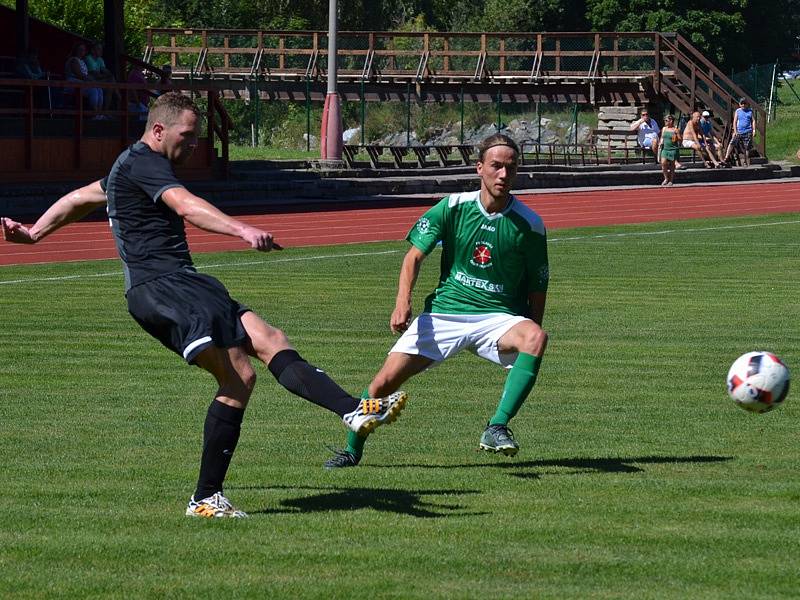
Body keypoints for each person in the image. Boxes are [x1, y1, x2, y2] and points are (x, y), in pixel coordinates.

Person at [0, 92, 407, 517]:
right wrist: (241, 229)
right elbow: (187, 206)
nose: (193, 144)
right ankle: (205, 498)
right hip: (163, 287)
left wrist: (34, 233)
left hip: (187, 283)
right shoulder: (145, 162)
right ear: (158, 131)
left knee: (269, 338)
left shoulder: (128, 167)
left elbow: (80, 198)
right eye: (188, 135)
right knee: (238, 379)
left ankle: (353, 411)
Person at [325, 133, 549, 469]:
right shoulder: (454, 207)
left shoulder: (530, 225)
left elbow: (538, 287)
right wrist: (403, 302)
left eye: (511, 168)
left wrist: (530, 327)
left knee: (536, 337)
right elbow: (414, 257)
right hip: (446, 314)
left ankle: (497, 426)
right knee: (382, 384)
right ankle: (351, 450)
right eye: (496, 166)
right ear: (480, 169)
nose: (503, 174)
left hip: (497, 319)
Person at [64, 42, 104, 117]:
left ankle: (99, 113)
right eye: (80, 49)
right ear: (76, 50)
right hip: (73, 83)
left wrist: (92, 80)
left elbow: (86, 74)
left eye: (83, 50)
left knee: (99, 89)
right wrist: (90, 80)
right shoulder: (74, 60)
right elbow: (79, 74)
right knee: (93, 90)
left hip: (81, 83)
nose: (82, 51)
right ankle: (94, 113)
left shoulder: (82, 61)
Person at [85, 42, 121, 110]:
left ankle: (105, 110)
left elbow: (106, 71)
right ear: (92, 50)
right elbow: (94, 74)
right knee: (111, 81)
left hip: (98, 81)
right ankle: (119, 98)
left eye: (101, 49)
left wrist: (107, 75)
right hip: (91, 82)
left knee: (110, 84)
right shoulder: (88, 58)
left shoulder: (100, 59)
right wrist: (107, 75)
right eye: (98, 49)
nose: (101, 51)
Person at [724, 98, 755, 167]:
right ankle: (726, 157)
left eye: (744, 103)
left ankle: (745, 161)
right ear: (739, 104)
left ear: (747, 104)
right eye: (741, 104)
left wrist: (754, 130)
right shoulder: (738, 111)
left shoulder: (750, 111)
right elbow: (735, 122)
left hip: (747, 131)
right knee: (732, 143)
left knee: (746, 147)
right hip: (739, 131)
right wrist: (735, 131)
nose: (743, 105)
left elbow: (753, 121)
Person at [658, 114, 681, 186]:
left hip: (673, 149)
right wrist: (660, 143)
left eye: (666, 120)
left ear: (671, 121)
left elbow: (680, 139)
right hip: (665, 148)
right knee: (663, 163)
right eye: (665, 120)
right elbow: (662, 137)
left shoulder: (676, 130)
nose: (665, 122)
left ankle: (671, 180)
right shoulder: (664, 128)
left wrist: (676, 136)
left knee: (672, 165)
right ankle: (666, 178)